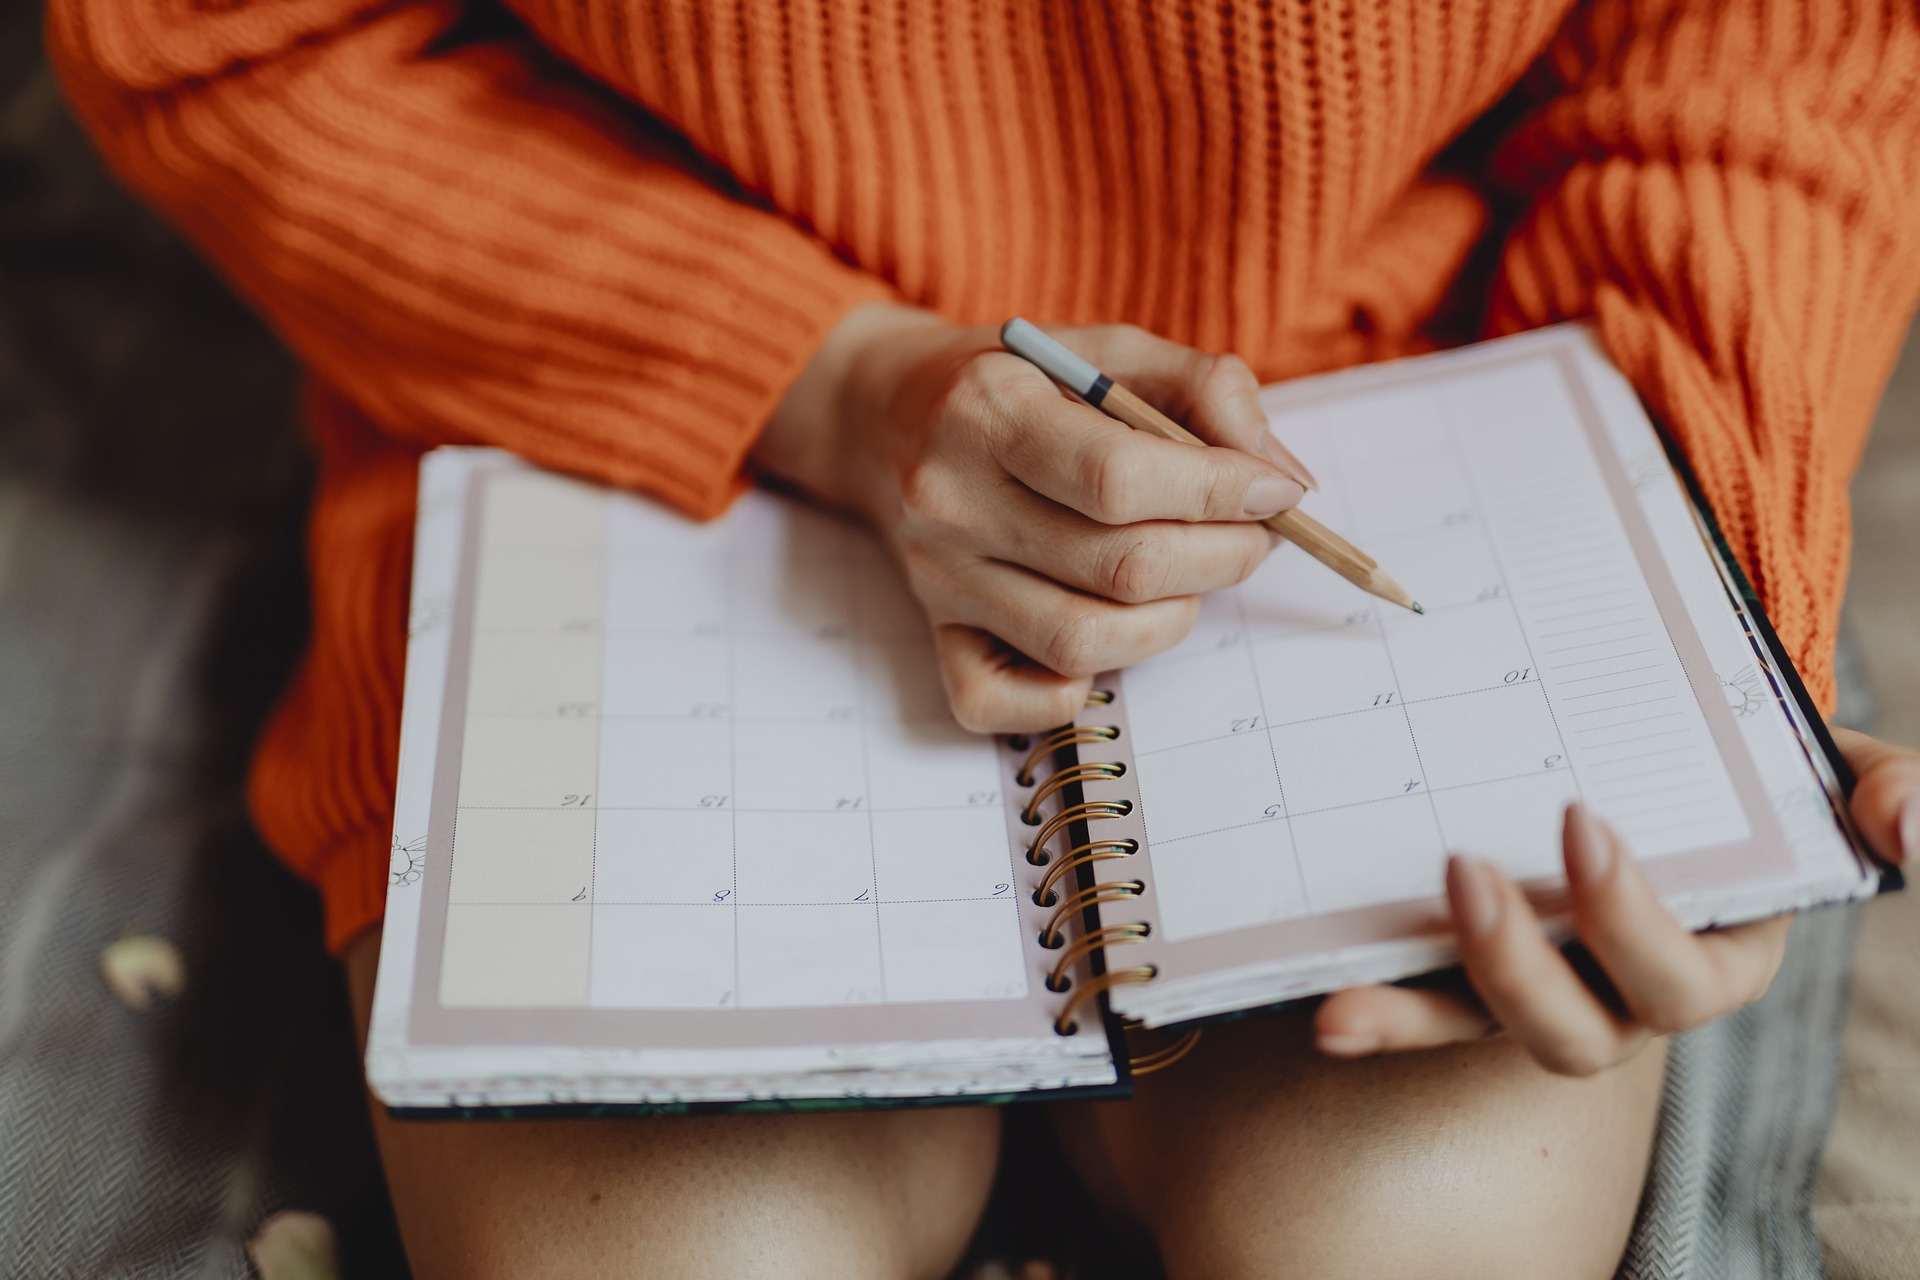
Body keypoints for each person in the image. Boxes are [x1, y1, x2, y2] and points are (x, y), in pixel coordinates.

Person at [47, 0, 1920, 1274]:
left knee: (1423, 1240)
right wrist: (832, 379)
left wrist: (1692, 615)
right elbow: (234, 41)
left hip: (1399, 395)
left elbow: (1767, 63)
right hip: (611, 402)